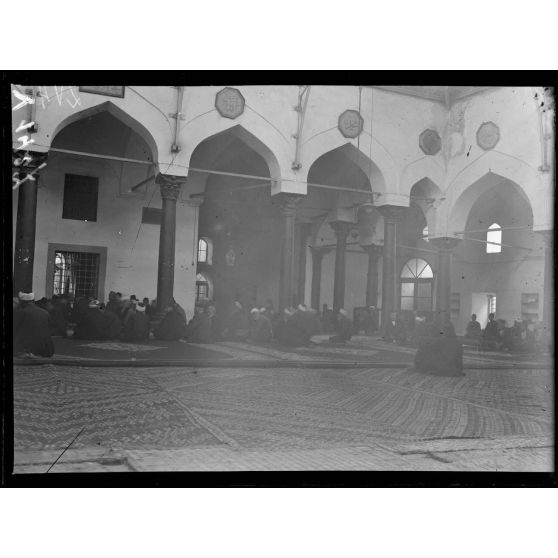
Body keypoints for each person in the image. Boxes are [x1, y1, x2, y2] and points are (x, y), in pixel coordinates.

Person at [413, 312, 464, 377]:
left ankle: (420, 365)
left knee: (426, 351)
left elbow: (431, 348)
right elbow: (459, 362)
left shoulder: (442, 340)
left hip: (444, 366)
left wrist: (425, 345)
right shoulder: (458, 343)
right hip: (455, 368)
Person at [13, 291, 55, 357]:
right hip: (46, 350)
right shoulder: (45, 313)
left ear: (21, 302)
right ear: (33, 300)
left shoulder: (20, 313)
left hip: (25, 349)